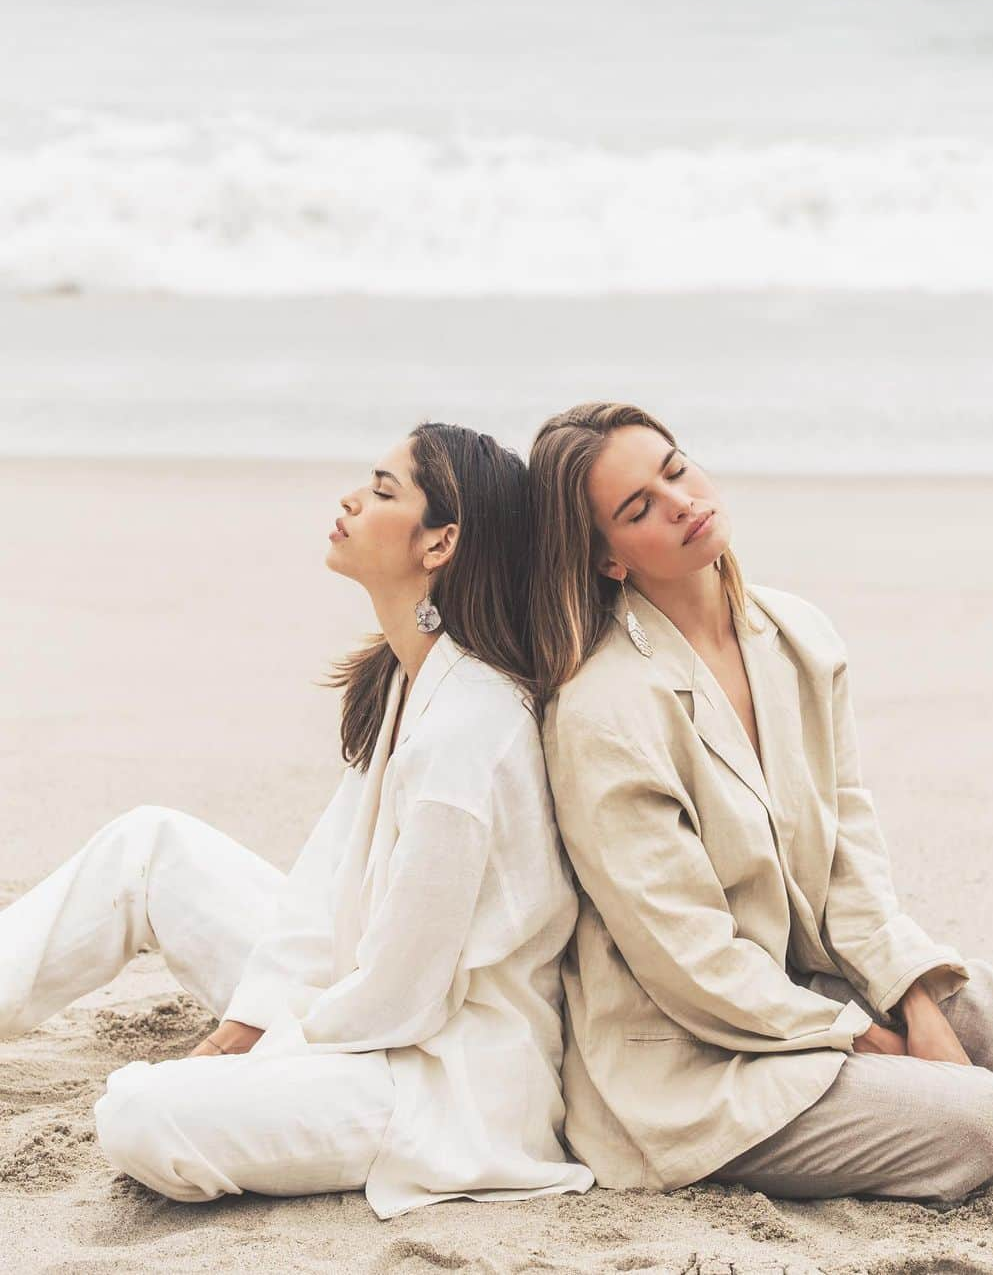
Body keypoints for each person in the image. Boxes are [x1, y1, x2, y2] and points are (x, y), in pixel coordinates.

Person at [0, 422, 594, 1219]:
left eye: (384, 491)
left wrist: (256, 1051)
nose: (351, 498)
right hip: (355, 991)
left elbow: (404, 994)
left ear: (441, 542)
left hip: (432, 1074)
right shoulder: (408, 677)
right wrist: (241, 1026)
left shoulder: (471, 730)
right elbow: (320, 890)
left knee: (144, 1113)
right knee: (150, 846)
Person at [526, 399, 993, 1204]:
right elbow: (691, 963)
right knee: (981, 1120)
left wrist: (915, 1002)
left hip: (821, 986)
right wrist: (866, 1037)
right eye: (638, 507)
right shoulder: (602, 711)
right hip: (696, 1062)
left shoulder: (796, 635)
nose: (680, 501)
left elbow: (851, 862)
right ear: (608, 558)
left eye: (675, 469)